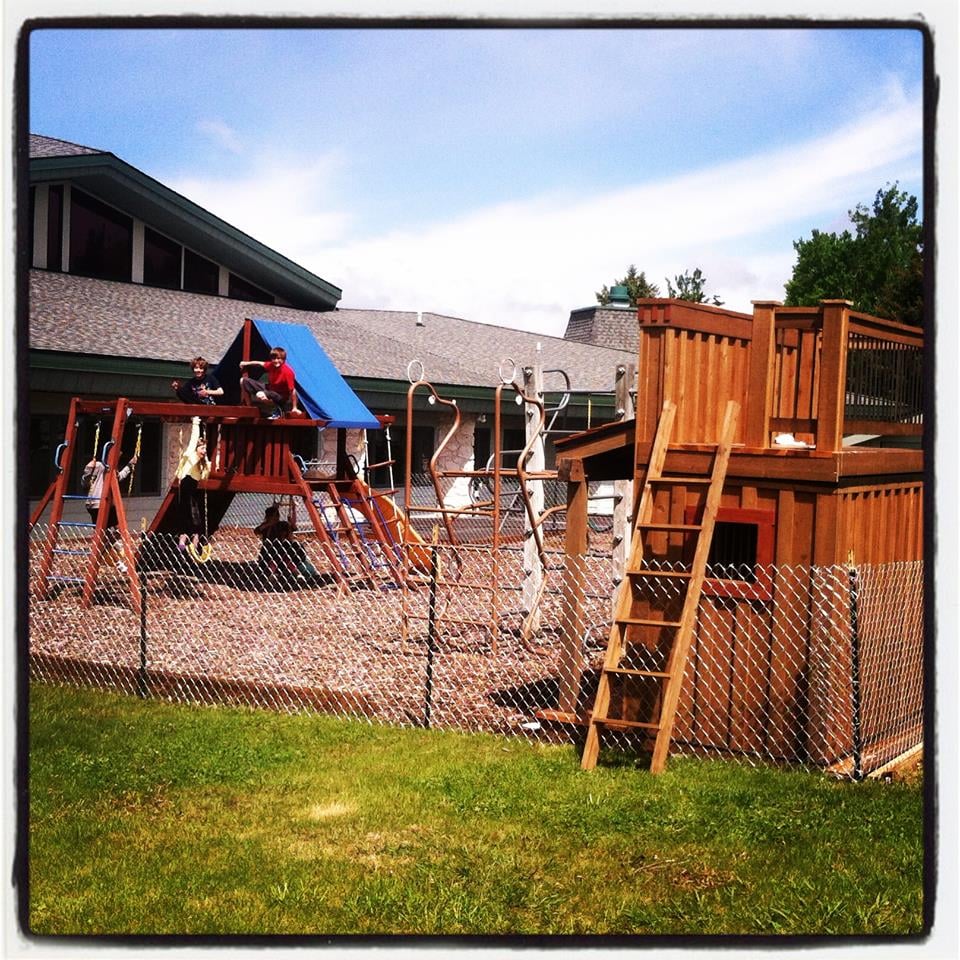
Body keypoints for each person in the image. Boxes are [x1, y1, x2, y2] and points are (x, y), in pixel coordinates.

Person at [175, 416, 211, 553]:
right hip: (184, 490)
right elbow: (193, 440)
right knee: (186, 517)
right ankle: (182, 541)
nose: (204, 451)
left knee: (196, 520)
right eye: (202, 448)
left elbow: (205, 476)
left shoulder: (201, 464)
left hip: (192, 493)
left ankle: (195, 545)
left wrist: (207, 461)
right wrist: (196, 422)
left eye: (205, 449)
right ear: (196, 448)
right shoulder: (191, 455)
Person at [254, 504, 317, 581]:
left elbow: (293, 528)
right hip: (269, 551)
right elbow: (257, 531)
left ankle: (296, 573)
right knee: (276, 551)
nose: (275, 518)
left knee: (284, 551)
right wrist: (269, 524)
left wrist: (293, 511)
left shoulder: (281, 524)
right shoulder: (266, 526)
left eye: (277, 516)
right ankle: (273, 573)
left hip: (282, 550)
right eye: (272, 517)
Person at [82, 451, 139, 534]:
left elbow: (119, 477)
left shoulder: (111, 469)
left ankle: (105, 541)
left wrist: (130, 465)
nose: (118, 459)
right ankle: (113, 540)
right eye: (117, 457)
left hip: (92, 504)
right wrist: (89, 467)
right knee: (117, 524)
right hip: (99, 503)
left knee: (101, 528)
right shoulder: (100, 466)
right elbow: (86, 478)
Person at [239, 347, 301, 420]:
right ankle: (249, 407)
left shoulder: (288, 372)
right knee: (243, 380)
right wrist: (246, 363)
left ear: (284, 359)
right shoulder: (271, 365)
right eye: (274, 359)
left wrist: (294, 407)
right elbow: (259, 363)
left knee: (260, 394)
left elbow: (292, 390)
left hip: (280, 396)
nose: (276, 361)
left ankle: (277, 410)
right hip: (270, 390)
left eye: (279, 358)